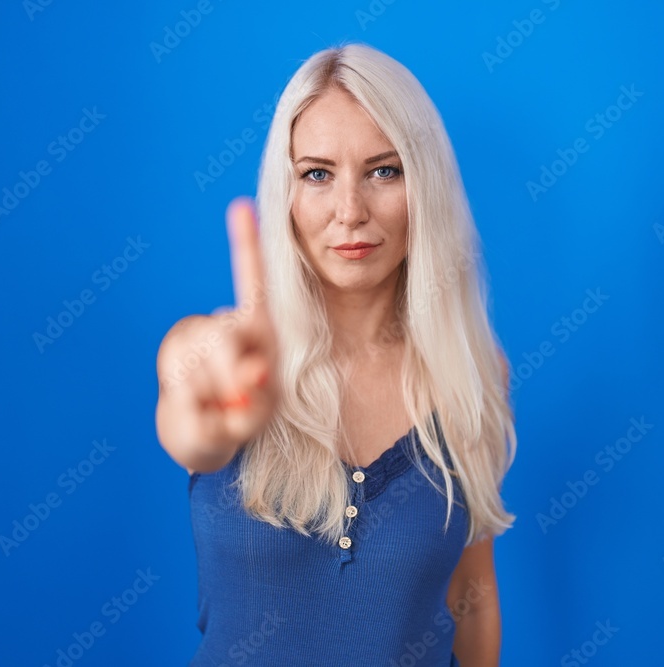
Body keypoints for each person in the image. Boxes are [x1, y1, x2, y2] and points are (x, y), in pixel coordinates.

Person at [155, 42, 517, 666]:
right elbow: (193, 429)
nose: (350, 212)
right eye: (317, 174)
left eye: (384, 170)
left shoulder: (473, 374)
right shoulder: (217, 355)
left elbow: (472, 595)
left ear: (424, 186)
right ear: (286, 194)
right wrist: (209, 409)